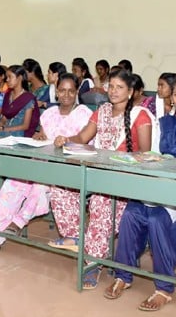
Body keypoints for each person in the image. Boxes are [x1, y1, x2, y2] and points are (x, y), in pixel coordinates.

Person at [104, 75, 176, 310]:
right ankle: (123, 275)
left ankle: (164, 288)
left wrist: (172, 168)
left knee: (156, 219)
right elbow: (150, 155)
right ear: (170, 98)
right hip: (156, 186)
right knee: (131, 214)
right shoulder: (163, 123)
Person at [49, 69, 154, 289]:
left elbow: (145, 155)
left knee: (100, 202)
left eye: (120, 87)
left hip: (123, 180)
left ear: (131, 91)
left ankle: (93, 262)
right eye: (111, 86)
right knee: (59, 189)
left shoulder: (140, 116)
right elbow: (84, 138)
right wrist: (66, 139)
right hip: (96, 172)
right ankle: (77, 238)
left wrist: (120, 162)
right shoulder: (102, 110)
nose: (113, 91)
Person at [0, 74, 93, 255]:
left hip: (68, 169)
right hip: (41, 163)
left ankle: (17, 223)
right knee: (10, 186)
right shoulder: (50, 113)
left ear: (77, 92)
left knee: (38, 188)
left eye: (71, 91)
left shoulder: (84, 113)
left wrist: (66, 141)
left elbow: (86, 142)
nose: (66, 95)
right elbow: (43, 136)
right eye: (62, 90)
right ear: (57, 92)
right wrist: (39, 136)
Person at [0, 65, 40, 137]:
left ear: (20, 77)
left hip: (19, 134)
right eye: (7, 77)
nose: (7, 80)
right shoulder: (8, 95)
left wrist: (5, 129)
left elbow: (25, 126)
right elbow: (4, 117)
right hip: (5, 130)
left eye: (10, 77)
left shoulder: (28, 98)